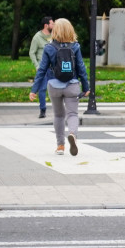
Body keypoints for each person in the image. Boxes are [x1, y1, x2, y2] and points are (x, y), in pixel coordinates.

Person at [29, 18, 89, 156]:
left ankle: (60, 146)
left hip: (54, 86)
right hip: (72, 85)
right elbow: (81, 68)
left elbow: (42, 70)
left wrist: (34, 90)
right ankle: (72, 134)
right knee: (72, 114)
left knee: (58, 115)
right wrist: (86, 87)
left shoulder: (49, 48)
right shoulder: (75, 47)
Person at [29, 17, 54, 119]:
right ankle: (42, 110)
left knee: (57, 88)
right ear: (46, 25)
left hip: (53, 68)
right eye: (52, 24)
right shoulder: (37, 37)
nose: (54, 26)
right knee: (42, 89)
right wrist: (37, 66)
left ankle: (59, 110)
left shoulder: (54, 36)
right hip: (43, 68)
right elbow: (32, 52)